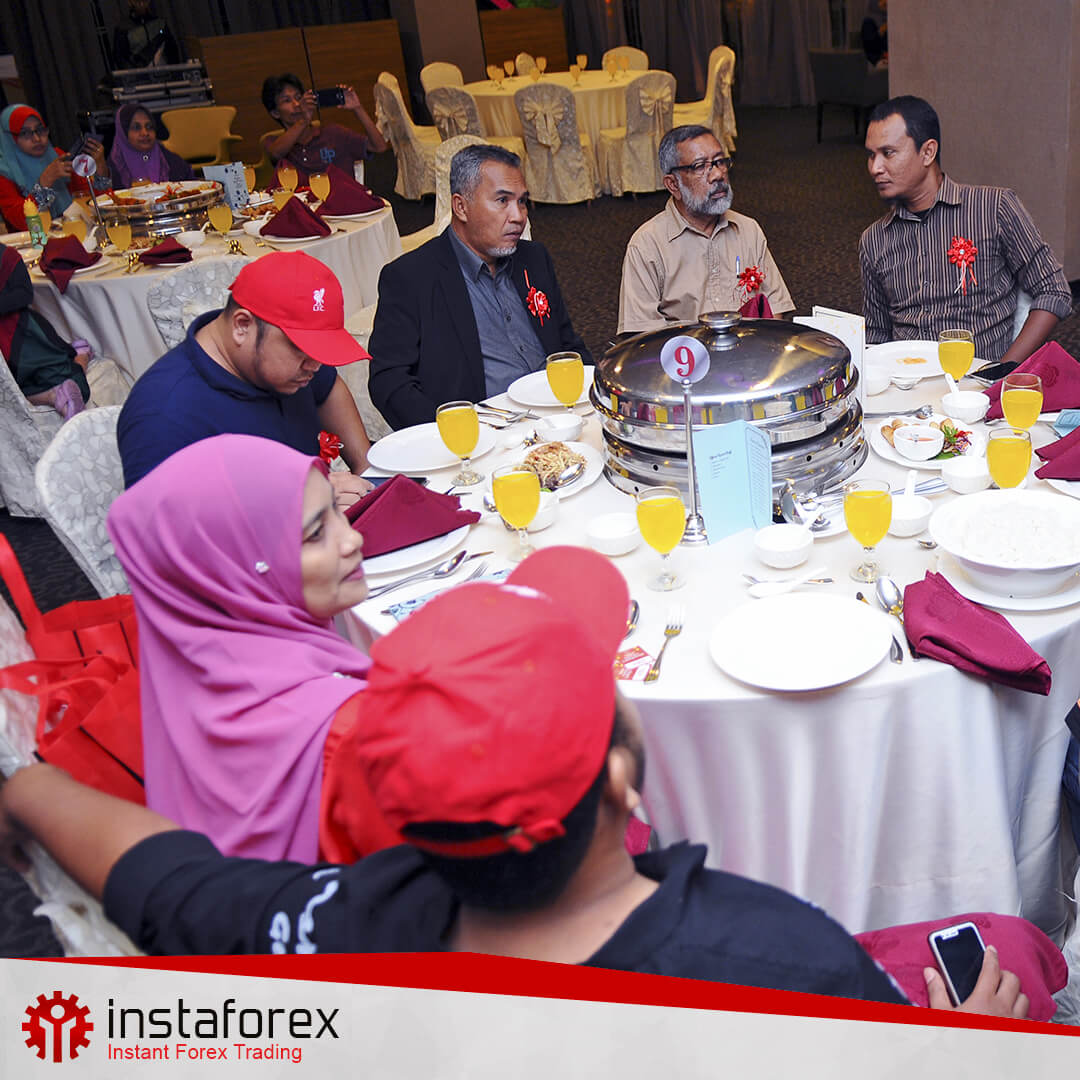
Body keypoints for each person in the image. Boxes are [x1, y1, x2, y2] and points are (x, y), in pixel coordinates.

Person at [0, 548, 1037, 1020]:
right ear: (624, 777)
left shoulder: (334, 928)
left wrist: (25, 787)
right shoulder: (778, 962)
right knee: (1014, 950)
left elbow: (170, 881)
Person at [106, 434, 397, 862]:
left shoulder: (188, 674)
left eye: (337, 510)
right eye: (316, 533)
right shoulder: (344, 730)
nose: (351, 539)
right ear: (233, 570)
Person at [117, 250, 374, 504]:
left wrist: (366, 468)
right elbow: (161, 526)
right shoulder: (164, 416)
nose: (315, 366)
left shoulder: (291, 367)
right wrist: (299, 502)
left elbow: (327, 387)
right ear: (242, 326)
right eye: (303, 350)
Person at [368, 144, 592, 429]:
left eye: (522, 201)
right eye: (502, 201)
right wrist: (454, 433)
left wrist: (592, 398)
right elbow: (389, 382)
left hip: (558, 415)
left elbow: (567, 343)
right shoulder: (411, 277)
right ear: (461, 207)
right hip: (483, 432)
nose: (518, 216)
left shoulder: (534, 259)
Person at [860, 95, 1073, 367]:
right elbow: (877, 336)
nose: (875, 168)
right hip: (907, 382)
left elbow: (1054, 291)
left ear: (928, 152)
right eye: (871, 155)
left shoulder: (993, 209)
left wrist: (1002, 371)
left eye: (888, 153)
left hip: (978, 380)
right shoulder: (874, 240)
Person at [617, 125, 794, 335]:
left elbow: (775, 309)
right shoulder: (647, 246)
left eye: (720, 162)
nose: (718, 174)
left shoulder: (748, 229)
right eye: (700, 166)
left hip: (749, 351)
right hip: (685, 355)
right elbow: (642, 338)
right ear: (673, 185)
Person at [0, 241, 90, 418]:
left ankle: (80, 358)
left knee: (47, 376)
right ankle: (58, 390)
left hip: (18, 335)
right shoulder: (7, 255)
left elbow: (24, 294)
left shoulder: (6, 257)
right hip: (18, 338)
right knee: (17, 387)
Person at [260, 73, 387, 184]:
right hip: (302, 204)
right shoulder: (273, 142)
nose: (297, 104)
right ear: (275, 113)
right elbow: (276, 154)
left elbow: (379, 146)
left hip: (342, 202)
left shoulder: (334, 133)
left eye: (299, 97)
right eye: (287, 100)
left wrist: (357, 108)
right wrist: (304, 120)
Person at [0, 105, 109, 231]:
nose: (37, 138)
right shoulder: (4, 173)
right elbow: (23, 222)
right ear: (10, 138)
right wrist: (44, 182)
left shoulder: (56, 156)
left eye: (40, 129)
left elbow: (94, 202)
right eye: (25, 133)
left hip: (75, 232)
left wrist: (100, 167)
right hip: (32, 241)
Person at [108, 103, 195, 189]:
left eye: (149, 127)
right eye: (136, 127)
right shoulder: (113, 167)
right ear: (123, 133)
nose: (145, 133)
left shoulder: (171, 162)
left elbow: (193, 188)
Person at [112, 0, 180, 69]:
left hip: (164, 72)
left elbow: (172, 51)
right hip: (138, 73)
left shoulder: (160, 24)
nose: (141, 5)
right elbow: (120, 58)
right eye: (137, 2)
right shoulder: (123, 29)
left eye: (144, 1)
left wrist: (175, 72)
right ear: (130, 2)